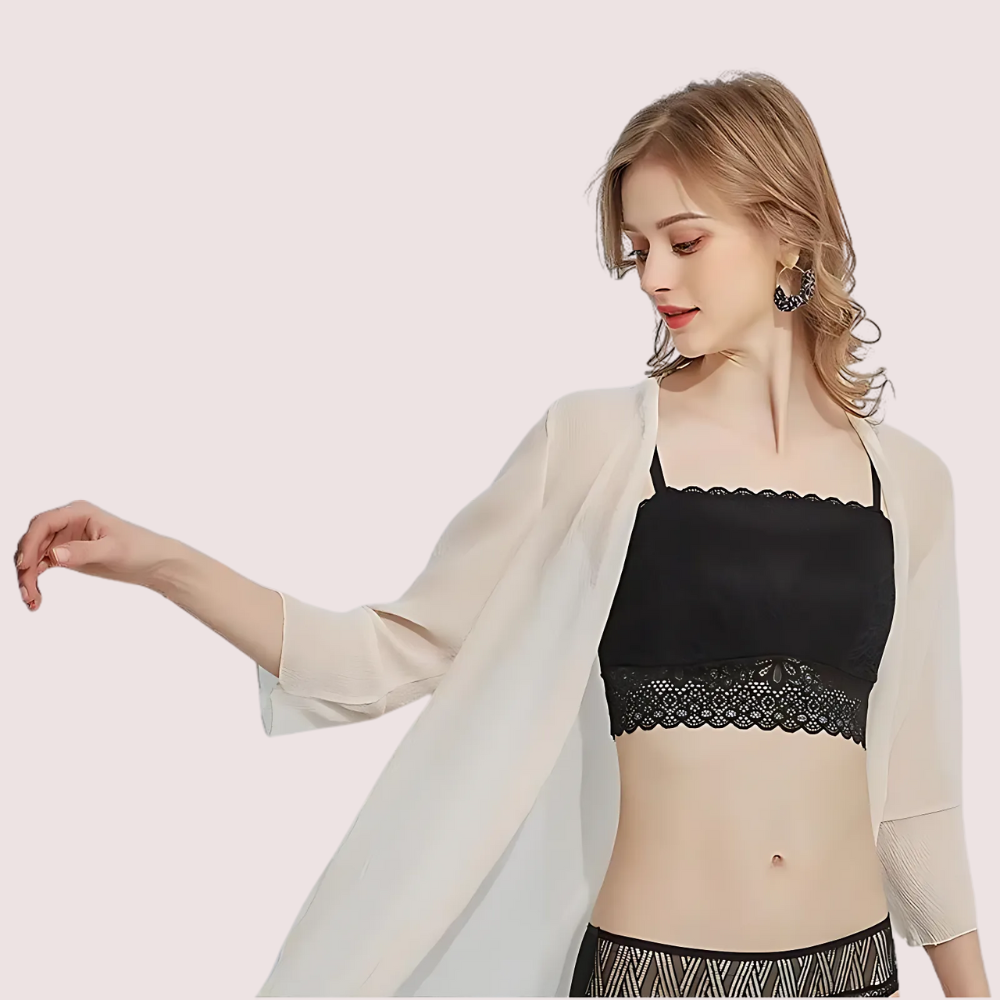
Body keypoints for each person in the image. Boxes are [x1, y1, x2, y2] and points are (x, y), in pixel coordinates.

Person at [14, 71, 988, 997]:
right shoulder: (596, 444)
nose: (653, 275)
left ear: (786, 231)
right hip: (651, 971)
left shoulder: (908, 485)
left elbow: (915, 793)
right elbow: (386, 654)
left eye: (684, 241)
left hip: (852, 970)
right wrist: (157, 562)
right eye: (637, 249)